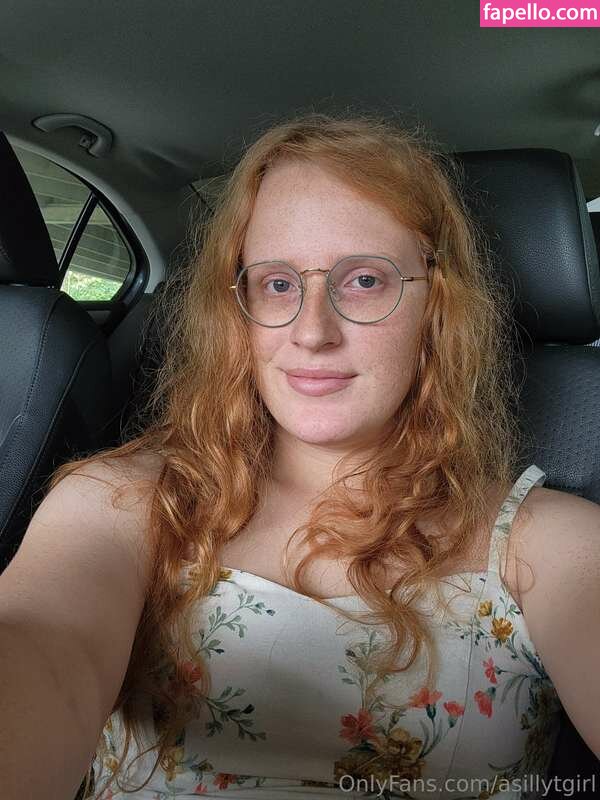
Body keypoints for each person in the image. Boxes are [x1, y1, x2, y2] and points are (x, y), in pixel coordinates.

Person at [1, 113, 599, 800]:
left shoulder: (548, 545)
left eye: (365, 280)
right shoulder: (124, 502)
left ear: (437, 305)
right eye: (278, 284)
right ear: (239, 311)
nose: (312, 332)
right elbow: (45, 643)